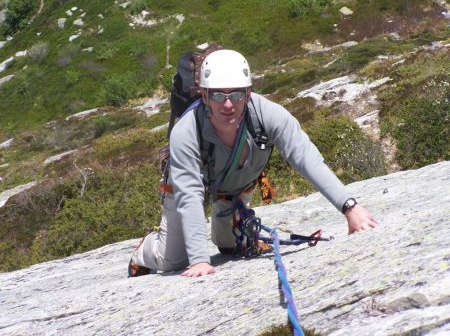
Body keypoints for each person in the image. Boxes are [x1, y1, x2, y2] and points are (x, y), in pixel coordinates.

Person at [128, 49, 378, 277]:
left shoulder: (268, 114)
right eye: (218, 95)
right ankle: (147, 249)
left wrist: (350, 207)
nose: (228, 104)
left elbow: (306, 158)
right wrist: (200, 261)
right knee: (173, 260)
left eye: (236, 94)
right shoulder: (186, 131)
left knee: (232, 246)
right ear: (204, 96)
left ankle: (226, 219)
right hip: (186, 188)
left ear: (248, 93)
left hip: (234, 186)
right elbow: (190, 194)